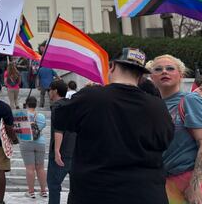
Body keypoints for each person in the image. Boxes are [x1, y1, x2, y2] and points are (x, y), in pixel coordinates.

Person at [54, 48, 174, 204]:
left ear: (112, 67)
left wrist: (85, 92)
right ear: (140, 75)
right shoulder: (157, 105)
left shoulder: (91, 97)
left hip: (96, 193)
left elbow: (59, 117)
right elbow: (165, 140)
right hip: (145, 193)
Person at [149, 54, 202, 204]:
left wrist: (195, 185)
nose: (164, 71)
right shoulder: (152, 106)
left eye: (170, 68)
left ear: (181, 75)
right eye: (158, 69)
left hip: (191, 183)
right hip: (163, 184)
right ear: (152, 77)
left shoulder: (190, 100)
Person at [47, 79, 76, 204]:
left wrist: (57, 150)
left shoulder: (57, 107)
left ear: (55, 91)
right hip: (74, 151)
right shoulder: (73, 105)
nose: (49, 93)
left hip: (60, 153)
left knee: (53, 186)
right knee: (75, 188)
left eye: (50, 90)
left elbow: (58, 130)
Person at [20, 96, 48, 199]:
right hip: (40, 142)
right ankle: (43, 191)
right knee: (40, 168)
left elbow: (18, 129)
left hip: (26, 142)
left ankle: (31, 192)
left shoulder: (22, 115)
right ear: (35, 104)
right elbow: (42, 126)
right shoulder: (41, 116)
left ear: (26, 104)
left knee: (29, 168)